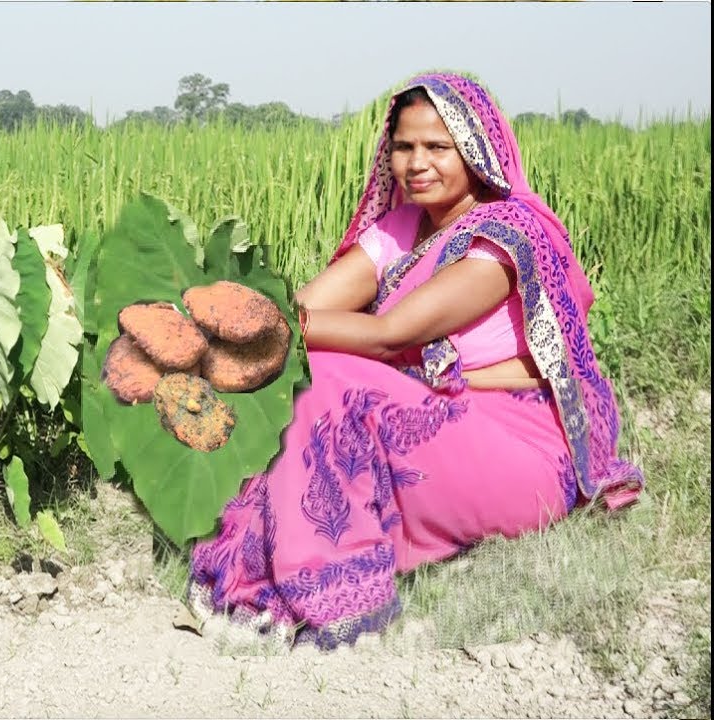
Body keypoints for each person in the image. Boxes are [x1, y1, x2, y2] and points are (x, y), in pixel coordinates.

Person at [186, 72, 644, 650]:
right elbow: (307, 307)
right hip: (435, 413)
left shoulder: (506, 237)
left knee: (323, 377)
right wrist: (236, 325)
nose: (416, 162)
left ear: (476, 150)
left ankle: (344, 601)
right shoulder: (404, 227)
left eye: (437, 147)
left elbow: (384, 335)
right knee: (295, 372)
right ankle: (295, 567)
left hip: (517, 447)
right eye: (403, 147)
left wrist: (258, 322)